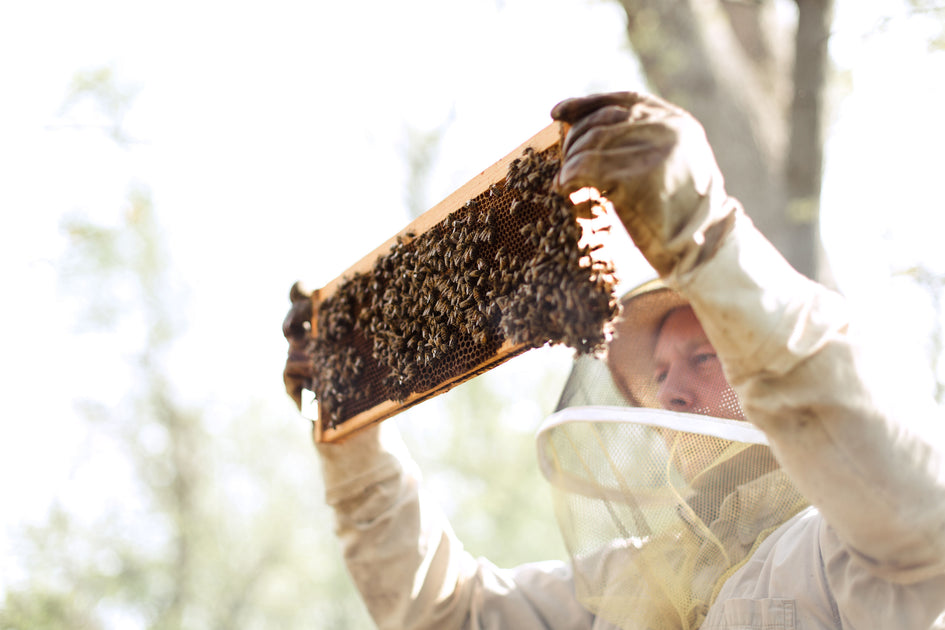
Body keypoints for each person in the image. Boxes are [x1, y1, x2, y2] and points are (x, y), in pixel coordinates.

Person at [283, 92, 945, 629]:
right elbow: (454, 617)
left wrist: (705, 238)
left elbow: (917, 512)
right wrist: (356, 447)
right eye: (656, 376)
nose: (672, 392)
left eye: (702, 356)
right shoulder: (621, 582)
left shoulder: (842, 551)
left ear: (762, 348)